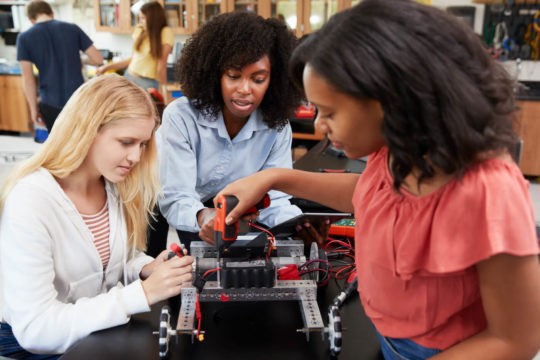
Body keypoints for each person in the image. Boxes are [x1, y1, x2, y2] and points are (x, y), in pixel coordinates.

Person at [215, 1, 540, 359]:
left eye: (330, 112)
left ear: (391, 100)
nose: (319, 125)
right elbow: (368, 193)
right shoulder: (396, 149)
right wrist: (272, 178)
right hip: (388, 337)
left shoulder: (489, 191)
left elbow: (516, 340)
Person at [0, 74, 194, 358]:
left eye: (142, 144)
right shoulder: (31, 199)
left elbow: (108, 264)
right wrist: (140, 294)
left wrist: (143, 268)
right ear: (87, 129)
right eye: (126, 142)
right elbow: (36, 329)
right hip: (32, 347)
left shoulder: (111, 186)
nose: (137, 157)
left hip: (93, 332)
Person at [154, 11, 322, 254]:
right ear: (215, 75)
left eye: (258, 79)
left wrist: (297, 224)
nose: (245, 89)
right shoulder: (181, 117)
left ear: (273, 81)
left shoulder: (277, 127)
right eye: (233, 76)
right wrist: (204, 216)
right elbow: (177, 197)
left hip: (234, 212)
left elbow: (275, 199)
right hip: (183, 206)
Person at [16, 0, 104, 132]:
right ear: (51, 13)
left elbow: (28, 80)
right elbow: (98, 59)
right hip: (78, 99)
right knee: (81, 142)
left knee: (58, 146)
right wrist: (80, 60)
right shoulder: (72, 28)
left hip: (49, 102)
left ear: (31, 19)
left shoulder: (24, 38)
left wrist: (33, 110)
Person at [96, 1, 173, 93]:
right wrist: (106, 67)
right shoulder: (141, 31)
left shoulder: (165, 32)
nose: (140, 21)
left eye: (143, 18)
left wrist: (163, 89)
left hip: (147, 83)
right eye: (140, 18)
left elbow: (162, 65)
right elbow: (133, 59)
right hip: (128, 76)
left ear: (154, 18)